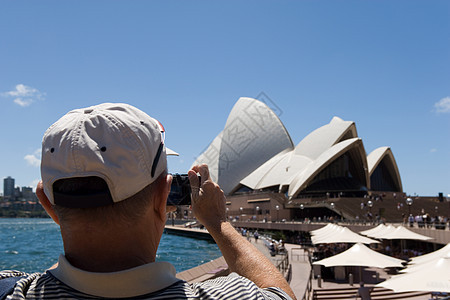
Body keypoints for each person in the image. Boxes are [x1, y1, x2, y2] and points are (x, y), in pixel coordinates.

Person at [0, 103, 295, 300]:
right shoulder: (228, 296)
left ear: (46, 202)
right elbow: (280, 293)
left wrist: (75, 222)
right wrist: (219, 224)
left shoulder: (9, 289)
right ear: (163, 196)